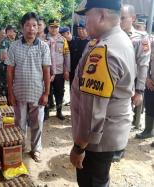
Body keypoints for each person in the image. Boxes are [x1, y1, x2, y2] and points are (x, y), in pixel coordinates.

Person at [70, 0, 136, 186]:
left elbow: (92, 112)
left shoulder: (104, 50)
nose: (84, 22)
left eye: (86, 15)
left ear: (101, 15)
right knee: (100, 179)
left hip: (96, 140)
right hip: (108, 132)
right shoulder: (120, 39)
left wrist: (79, 147)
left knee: (92, 181)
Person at [7, 12, 51, 162]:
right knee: (19, 124)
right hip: (19, 93)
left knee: (37, 124)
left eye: (34, 25)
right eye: (28, 25)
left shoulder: (44, 47)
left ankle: (36, 149)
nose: (31, 29)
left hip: (37, 93)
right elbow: (10, 70)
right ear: (22, 27)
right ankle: (19, 147)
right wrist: (10, 93)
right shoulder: (14, 46)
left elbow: (46, 71)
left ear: (38, 28)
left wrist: (46, 93)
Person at [121, 5, 151, 132]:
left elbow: (143, 65)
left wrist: (139, 91)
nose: (119, 21)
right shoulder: (111, 35)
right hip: (110, 82)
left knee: (123, 118)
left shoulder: (140, 38)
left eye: (123, 18)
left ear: (132, 18)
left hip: (129, 84)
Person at [44, 19, 70, 120]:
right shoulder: (44, 39)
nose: (54, 29)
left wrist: (67, 70)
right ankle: (46, 112)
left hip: (59, 71)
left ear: (58, 28)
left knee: (60, 92)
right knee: (47, 91)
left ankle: (59, 111)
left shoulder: (63, 40)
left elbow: (67, 55)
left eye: (56, 27)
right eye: (52, 27)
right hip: (47, 71)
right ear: (48, 27)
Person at [0, 25, 17, 98]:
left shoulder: (14, 42)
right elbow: (3, 57)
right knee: (5, 88)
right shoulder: (4, 42)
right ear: (8, 32)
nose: (15, 33)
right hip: (5, 67)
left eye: (15, 31)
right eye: (13, 31)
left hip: (12, 67)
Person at [69, 21, 90, 88]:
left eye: (83, 28)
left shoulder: (91, 43)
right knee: (72, 90)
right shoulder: (74, 41)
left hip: (84, 72)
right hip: (73, 71)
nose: (80, 30)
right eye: (79, 28)